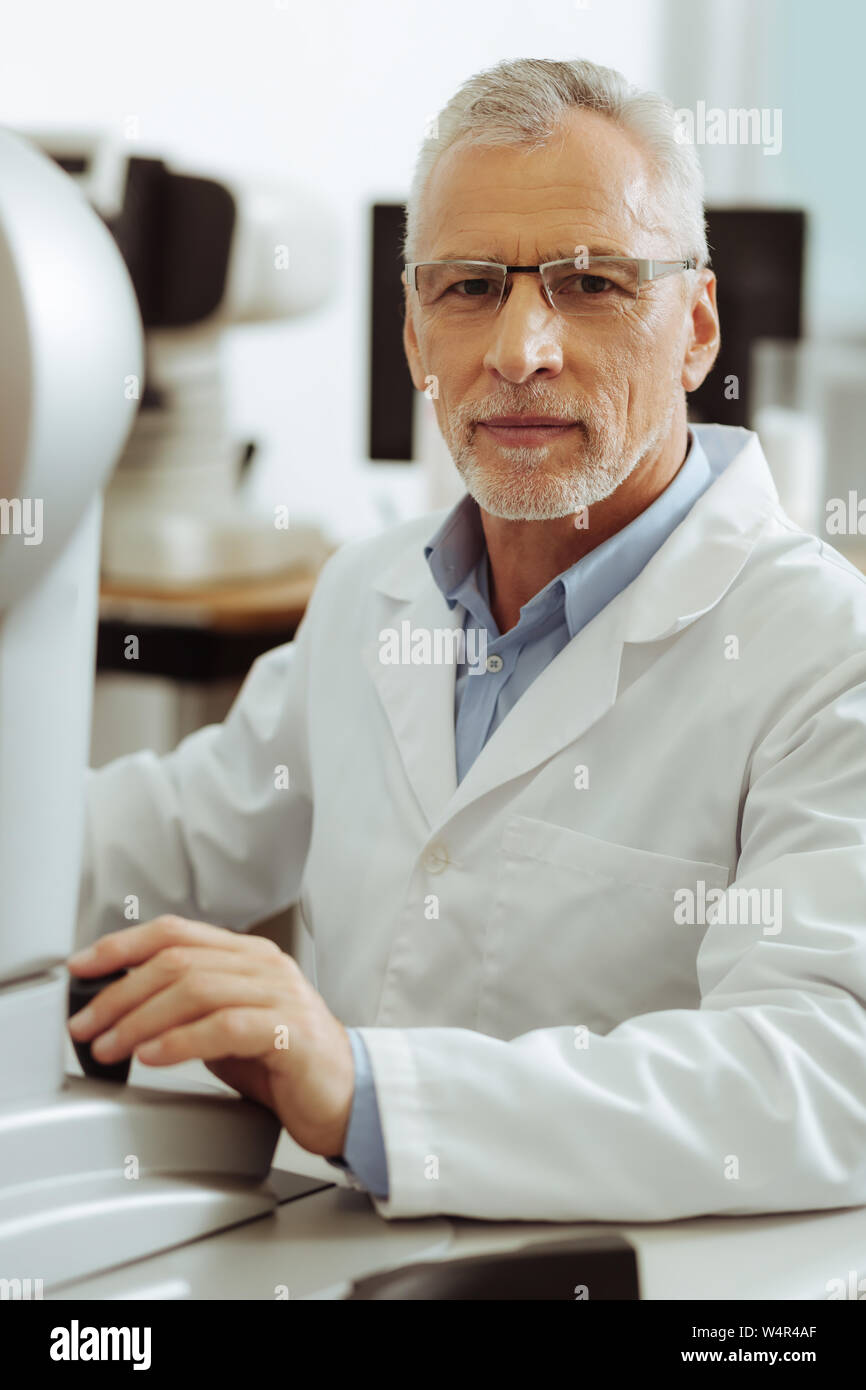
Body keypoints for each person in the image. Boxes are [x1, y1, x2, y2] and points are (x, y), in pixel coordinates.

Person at [70, 57, 866, 1223]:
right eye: (469, 288)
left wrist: (366, 1089)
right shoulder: (368, 594)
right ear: (412, 338)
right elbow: (164, 839)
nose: (519, 349)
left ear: (693, 329)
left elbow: (820, 1076)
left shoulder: (818, 652)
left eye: (589, 283)